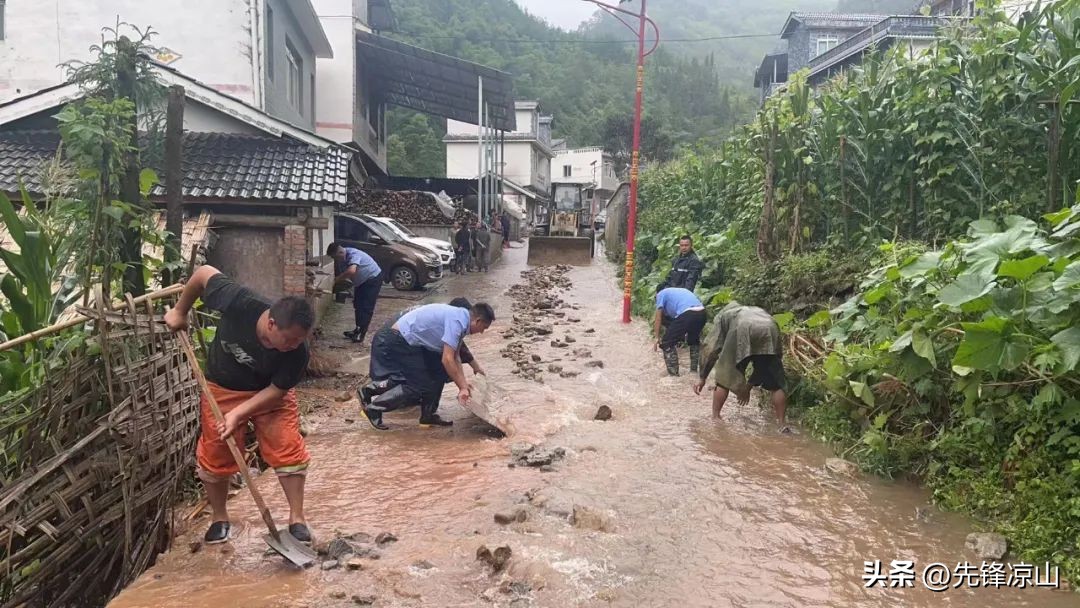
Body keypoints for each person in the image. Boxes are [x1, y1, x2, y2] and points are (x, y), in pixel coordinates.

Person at [164, 266, 314, 545]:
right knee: (217, 450)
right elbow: (202, 273)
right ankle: (219, 518)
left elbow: (278, 391)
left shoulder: (298, 352)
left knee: (288, 446)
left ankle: (297, 518)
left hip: (269, 396)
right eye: (290, 339)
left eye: (299, 340)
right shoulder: (237, 300)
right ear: (271, 324)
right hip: (223, 388)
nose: (294, 345)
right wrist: (180, 311)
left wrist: (239, 413)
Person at [359, 301, 495, 430]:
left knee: (438, 374)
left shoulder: (461, 319)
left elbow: (456, 357)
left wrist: (463, 386)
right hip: (401, 338)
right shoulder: (458, 321)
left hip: (414, 341)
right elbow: (447, 360)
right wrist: (462, 387)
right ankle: (373, 409)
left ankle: (428, 416)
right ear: (478, 321)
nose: (482, 332)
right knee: (417, 385)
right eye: (483, 328)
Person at [693, 301, 789, 431]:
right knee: (776, 382)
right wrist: (748, 387)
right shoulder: (754, 309)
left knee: (724, 377)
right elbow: (763, 366)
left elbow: (711, 349)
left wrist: (702, 377)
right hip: (770, 327)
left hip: (741, 328)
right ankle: (781, 424)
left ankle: (716, 418)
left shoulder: (725, 316)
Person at [328, 242, 382, 344]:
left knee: (366, 307)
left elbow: (351, 271)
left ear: (340, 252)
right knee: (357, 304)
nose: (337, 260)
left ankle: (361, 334)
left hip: (372, 279)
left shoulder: (353, 254)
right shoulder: (345, 255)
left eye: (336, 258)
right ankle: (357, 330)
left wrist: (337, 279)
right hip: (362, 282)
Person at [653, 287, 707, 376]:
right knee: (694, 340)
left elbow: (658, 318)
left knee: (666, 342)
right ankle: (694, 371)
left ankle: (673, 375)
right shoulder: (678, 292)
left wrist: (657, 337)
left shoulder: (660, 294)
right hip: (702, 313)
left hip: (688, 313)